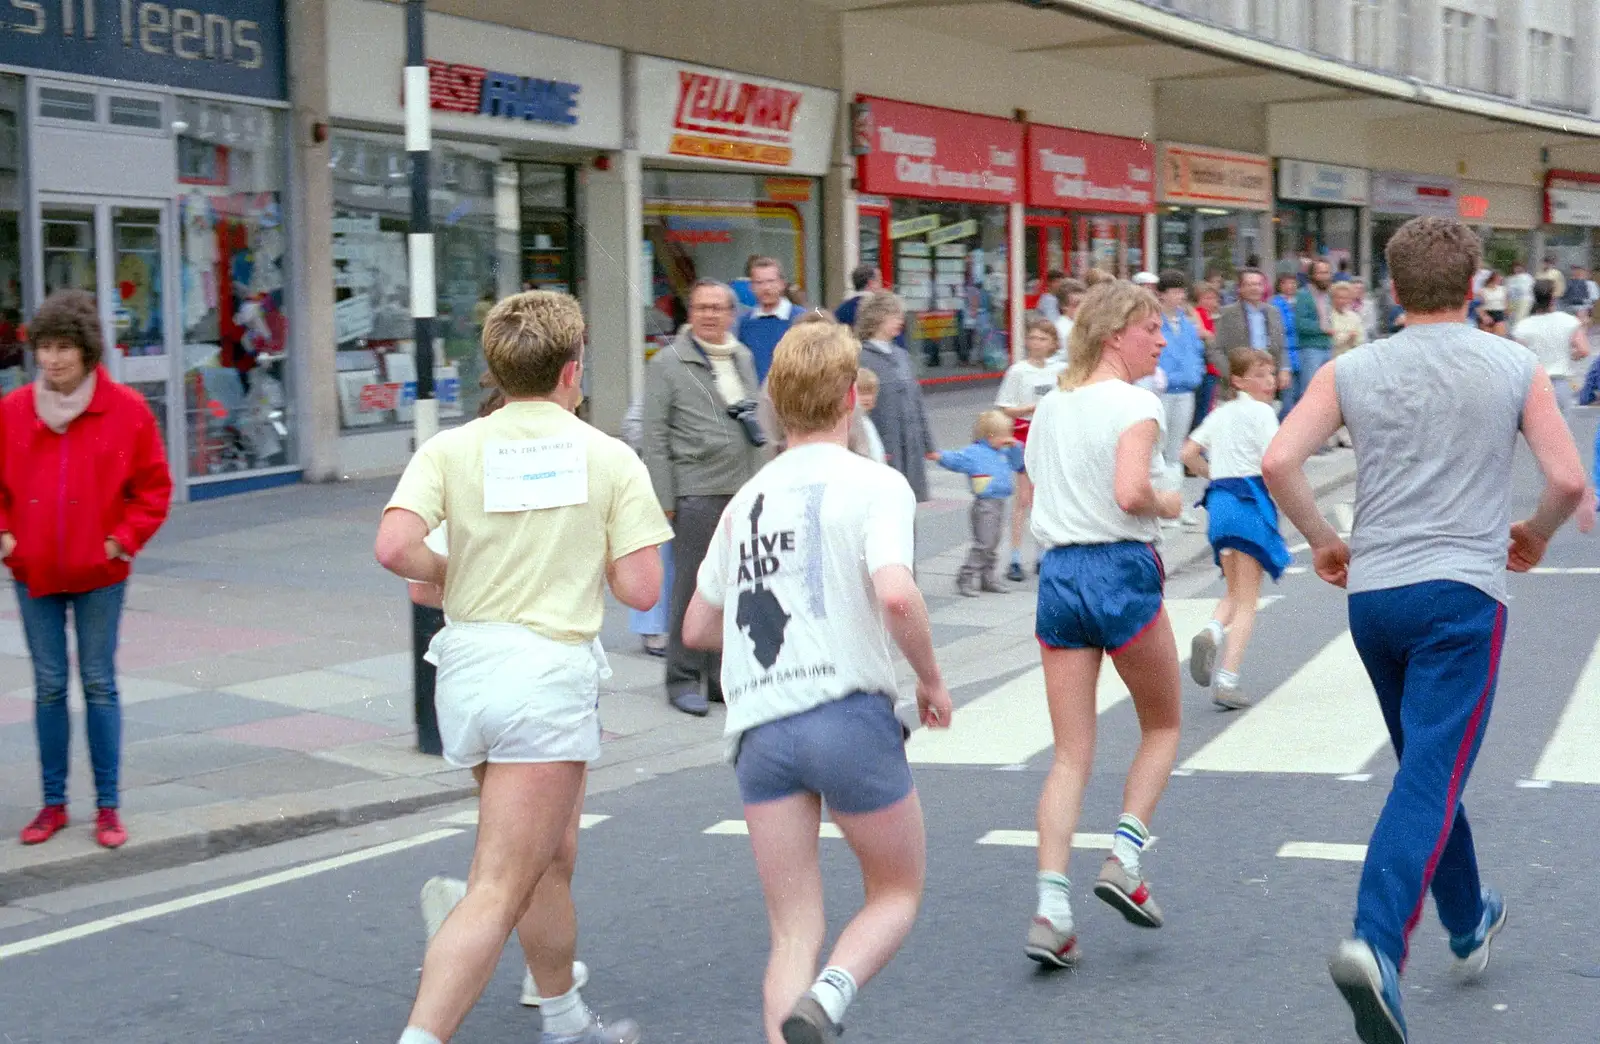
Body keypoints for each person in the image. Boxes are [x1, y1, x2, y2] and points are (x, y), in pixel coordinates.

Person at [1263, 216, 1586, 1044]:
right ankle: (1376, 941)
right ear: (1476, 283)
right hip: (1461, 595)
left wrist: (1323, 541)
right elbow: (1567, 479)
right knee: (1431, 775)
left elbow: (1277, 463)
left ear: (1393, 288)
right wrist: (1537, 533)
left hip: (1375, 595)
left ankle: (1470, 915)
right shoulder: (1513, 366)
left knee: (1426, 770)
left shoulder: (1351, 367)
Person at [375, 290, 672, 1044]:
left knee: (548, 855)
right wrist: (582, 546)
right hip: (544, 675)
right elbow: (641, 588)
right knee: (502, 883)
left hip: (470, 668)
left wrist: (450, 570)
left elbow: (396, 550)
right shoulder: (609, 457)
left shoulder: (450, 448)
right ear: (573, 370)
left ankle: (566, 1019)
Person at [680, 320, 953, 1044]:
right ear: (847, 398)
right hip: (846, 715)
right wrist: (929, 679)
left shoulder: (745, 503)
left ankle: (801, 1004)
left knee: (791, 932)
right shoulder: (875, 483)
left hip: (762, 732)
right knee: (895, 891)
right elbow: (896, 594)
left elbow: (697, 629)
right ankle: (832, 995)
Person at [1022, 279, 1185, 968]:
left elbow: (1031, 486)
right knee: (1163, 724)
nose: (1162, 338)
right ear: (1116, 333)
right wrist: (1169, 503)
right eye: (1151, 327)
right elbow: (1129, 492)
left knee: (1069, 754)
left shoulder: (1052, 405)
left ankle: (1051, 912)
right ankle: (1123, 855)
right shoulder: (1136, 403)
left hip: (1059, 575)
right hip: (1118, 569)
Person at [4, 289, 172, 850]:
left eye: (63, 348)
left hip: (102, 574)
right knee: (50, 687)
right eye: (44, 347)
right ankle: (53, 805)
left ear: (87, 351)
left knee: (98, 684)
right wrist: (6, 539)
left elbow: (153, 490)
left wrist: (121, 542)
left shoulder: (127, 411)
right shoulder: (11, 412)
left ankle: (107, 808)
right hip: (34, 574)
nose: (51, 359)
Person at [643, 279, 766, 717]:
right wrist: (664, 498)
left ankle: (719, 678)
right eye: (701, 307)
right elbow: (653, 436)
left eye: (718, 307)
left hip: (742, 489)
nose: (710, 315)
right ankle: (681, 678)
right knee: (692, 587)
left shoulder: (743, 357)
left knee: (735, 587)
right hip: (695, 489)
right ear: (689, 313)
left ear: (732, 313)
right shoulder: (668, 363)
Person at [1182, 348, 1291, 711]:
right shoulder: (1263, 413)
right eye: (1260, 374)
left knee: (1233, 588)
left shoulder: (1220, 413)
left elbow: (1187, 453)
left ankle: (1212, 630)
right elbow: (1274, 461)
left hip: (1220, 503)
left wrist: (1213, 475)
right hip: (1249, 502)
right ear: (1240, 381)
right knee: (1249, 600)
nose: (1269, 380)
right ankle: (1227, 680)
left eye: (1271, 372)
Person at [996, 319, 1067, 580]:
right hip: (1024, 433)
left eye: (1043, 339)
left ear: (1053, 344)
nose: (1037, 343)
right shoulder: (1018, 371)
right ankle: (1014, 557)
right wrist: (1031, 408)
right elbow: (1005, 407)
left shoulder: (1060, 369)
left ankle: (1041, 554)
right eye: (1033, 338)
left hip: (1049, 433)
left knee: (1044, 497)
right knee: (1023, 498)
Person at [929, 409, 1024, 597]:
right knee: (984, 543)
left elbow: (1018, 464)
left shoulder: (1004, 452)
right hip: (984, 504)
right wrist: (939, 456)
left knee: (994, 542)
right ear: (990, 436)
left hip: (1000, 502)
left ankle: (987, 577)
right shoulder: (975, 453)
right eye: (1004, 436)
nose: (1008, 439)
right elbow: (956, 460)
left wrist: (1015, 447)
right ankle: (966, 576)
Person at [855, 292, 934, 502]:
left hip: (909, 442)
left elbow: (917, 401)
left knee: (906, 502)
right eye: (894, 315)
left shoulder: (902, 356)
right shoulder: (859, 356)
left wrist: (928, 443)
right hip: (881, 443)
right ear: (877, 317)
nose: (900, 321)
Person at [1154, 271, 1206, 522]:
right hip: (1163, 392)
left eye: (1181, 291)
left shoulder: (1187, 323)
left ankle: (1177, 505)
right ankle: (1161, 505)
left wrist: (1195, 372)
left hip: (1185, 390)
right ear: (1161, 295)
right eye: (1174, 291)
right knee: (1159, 449)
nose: (1180, 296)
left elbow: (1196, 351)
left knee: (1176, 450)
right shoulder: (1155, 322)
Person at [1513, 279, 1588, 420]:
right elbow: (1584, 350)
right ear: (1553, 298)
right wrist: (1570, 356)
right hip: (1560, 382)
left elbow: (1517, 358)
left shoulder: (1523, 326)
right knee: (1562, 432)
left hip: (1534, 383)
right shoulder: (1568, 321)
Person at [1211, 268, 1290, 393]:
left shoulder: (1273, 312)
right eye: (1249, 284)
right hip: (1238, 384)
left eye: (1258, 284)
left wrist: (1284, 369)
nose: (1255, 288)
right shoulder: (1227, 313)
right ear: (1240, 288)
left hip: (1267, 382)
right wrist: (1232, 375)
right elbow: (1215, 349)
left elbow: (1281, 346)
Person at [738, 257, 803, 383]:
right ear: (751, 287)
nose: (766, 288)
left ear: (782, 284)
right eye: (759, 283)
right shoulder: (745, 323)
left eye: (771, 281)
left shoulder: (800, 318)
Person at [1294, 259, 1336, 393]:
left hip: (1328, 347)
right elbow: (1300, 323)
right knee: (1309, 390)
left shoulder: (1328, 295)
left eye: (1327, 272)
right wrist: (1322, 328)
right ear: (1312, 275)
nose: (1325, 276)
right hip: (1310, 349)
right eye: (1321, 273)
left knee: (1327, 391)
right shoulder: (1303, 295)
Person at [1272, 274, 1303, 415]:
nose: (1290, 286)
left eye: (1293, 283)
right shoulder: (1275, 303)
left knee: (1299, 397)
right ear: (1280, 285)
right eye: (1286, 283)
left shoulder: (1300, 301)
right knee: (1287, 400)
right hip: (1285, 354)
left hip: (1301, 354)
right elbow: (1284, 327)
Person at [834, 263, 882, 330]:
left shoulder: (840, 309)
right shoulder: (880, 308)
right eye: (879, 281)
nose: (881, 286)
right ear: (871, 283)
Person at [854, 367, 887, 464]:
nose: (867, 398)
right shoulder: (854, 425)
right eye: (861, 393)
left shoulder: (866, 421)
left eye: (870, 393)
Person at [1052, 278, 1087, 360]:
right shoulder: (1064, 330)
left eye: (1085, 303)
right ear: (1064, 306)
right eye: (1077, 304)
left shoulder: (1079, 325)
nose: (1083, 308)